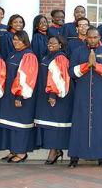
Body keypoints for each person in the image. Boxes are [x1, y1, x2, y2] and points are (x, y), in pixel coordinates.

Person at [68, 27, 102, 168]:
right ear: (85, 38)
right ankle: (74, 157)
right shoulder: (78, 52)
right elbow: (71, 72)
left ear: (99, 37)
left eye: (95, 37)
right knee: (79, 124)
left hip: (101, 94)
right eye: (90, 37)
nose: (93, 40)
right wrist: (86, 65)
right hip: (82, 94)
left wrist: (96, 66)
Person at [0, 30, 39, 163]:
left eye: (19, 40)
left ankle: (21, 152)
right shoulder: (13, 54)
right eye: (14, 39)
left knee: (20, 125)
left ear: (25, 41)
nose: (16, 42)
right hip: (10, 96)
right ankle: (13, 150)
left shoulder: (28, 55)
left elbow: (26, 78)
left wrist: (19, 96)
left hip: (21, 97)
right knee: (11, 124)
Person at [34, 35, 73, 165]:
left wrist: (53, 95)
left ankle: (55, 150)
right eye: (49, 42)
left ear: (60, 45)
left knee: (55, 125)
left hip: (56, 96)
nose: (50, 44)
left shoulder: (60, 58)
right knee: (49, 123)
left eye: (53, 43)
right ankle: (55, 149)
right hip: (45, 95)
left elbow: (60, 79)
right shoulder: (48, 56)